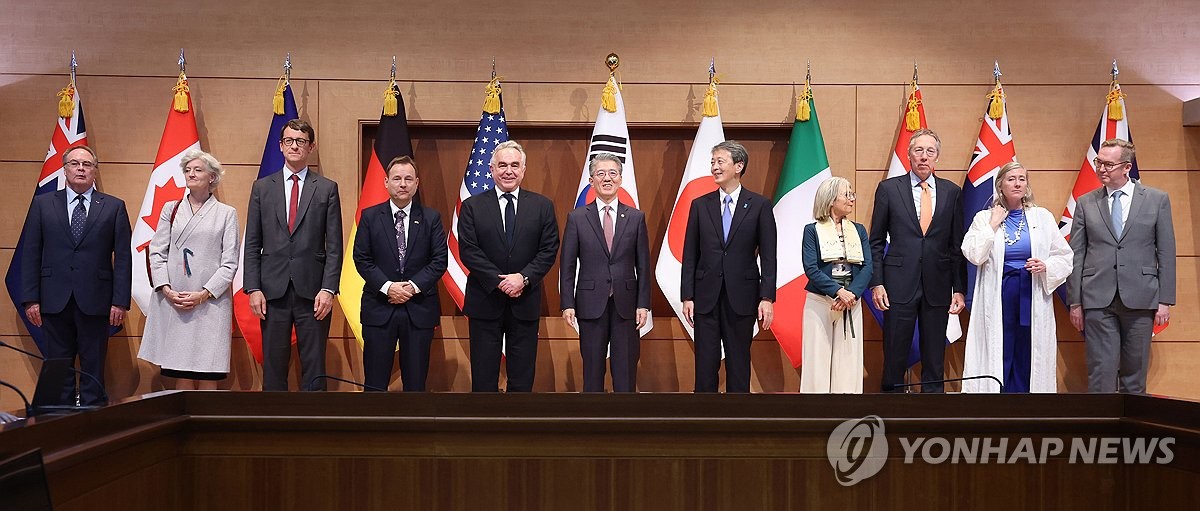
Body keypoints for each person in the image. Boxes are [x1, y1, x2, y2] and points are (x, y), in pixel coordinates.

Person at [19, 145, 131, 406]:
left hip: (96, 300)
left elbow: (124, 258)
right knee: (58, 367)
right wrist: (30, 299)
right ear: (65, 168)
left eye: (87, 164)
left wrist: (119, 301)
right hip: (53, 300)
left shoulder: (114, 207)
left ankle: (91, 430)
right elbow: (31, 252)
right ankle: (59, 426)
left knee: (93, 368)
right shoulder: (43, 204)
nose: (81, 168)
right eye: (75, 163)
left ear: (94, 170)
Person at [1068, 139, 1175, 394]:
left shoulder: (1156, 200)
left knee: (1134, 375)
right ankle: (1101, 430)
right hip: (1097, 298)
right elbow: (1077, 254)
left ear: (1127, 167)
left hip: (1141, 297)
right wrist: (1075, 302)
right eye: (1098, 162)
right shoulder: (1085, 202)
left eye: (1108, 164)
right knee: (1101, 373)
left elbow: (1167, 251)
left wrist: (1165, 300)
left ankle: (1130, 430)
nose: (1101, 168)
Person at [243, 119, 343, 391]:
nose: (294, 146)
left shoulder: (326, 188)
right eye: (289, 140)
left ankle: (313, 427)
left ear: (311, 146)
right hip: (271, 291)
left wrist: (328, 289)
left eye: (301, 141)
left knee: (314, 367)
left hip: (314, 292)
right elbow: (252, 242)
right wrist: (253, 288)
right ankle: (273, 427)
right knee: (274, 366)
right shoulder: (262, 188)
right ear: (281, 146)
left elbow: (334, 246)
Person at [868, 128, 966, 393]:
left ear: (937, 158)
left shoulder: (952, 192)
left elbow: (956, 245)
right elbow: (875, 241)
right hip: (898, 284)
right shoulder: (889, 189)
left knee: (934, 355)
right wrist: (876, 283)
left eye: (930, 151)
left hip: (938, 284)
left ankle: (932, 416)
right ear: (909, 155)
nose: (924, 156)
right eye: (918, 150)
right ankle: (890, 415)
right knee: (895, 353)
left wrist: (959, 289)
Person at [961, 162, 1072, 393]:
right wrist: (992, 224)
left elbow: (1064, 255)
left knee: (1027, 346)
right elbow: (973, 254)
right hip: (998, 292)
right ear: (1000, 184)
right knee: (999, 345)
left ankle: (1025, 401)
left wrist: (1046, 265)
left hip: (1030, 291)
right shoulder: (984, 218)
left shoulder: (1041, 217)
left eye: (1022, 178)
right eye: (1011, 179)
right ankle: (996, 402)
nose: (1018, 183)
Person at [458, 140, 560, 392]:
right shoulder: (472, 206)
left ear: (523, 170)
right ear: (491, 170)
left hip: (524, 302)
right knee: (483, 377)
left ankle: (520, 429)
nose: (508, 171)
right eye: (502, 165)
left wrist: (522, 279)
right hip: (485, 301)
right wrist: (500, 281)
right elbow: (468, 250)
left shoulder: (542, 206)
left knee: (523, 377)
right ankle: (483, 429)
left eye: (515, 165)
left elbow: (549, 249)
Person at [138, 150, 240, 390]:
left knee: (207, 373)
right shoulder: (170, 209)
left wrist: (204, 294)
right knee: (179, 371)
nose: (191, 174)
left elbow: (230, 262)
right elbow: (157, 252)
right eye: (187, 170)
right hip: (175, 300)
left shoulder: (226, 214)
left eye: (198, 170)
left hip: (210, 303)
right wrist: (166, 289)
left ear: (212, 177)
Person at [681, 140, 777, 393]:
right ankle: (704, 421)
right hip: (705, 297)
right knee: (705, 363)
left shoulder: (759, 205)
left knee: (738, 363)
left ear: (738, 166)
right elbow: (690, 253)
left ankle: (738, 423)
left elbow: (769, 256)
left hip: (743, 297)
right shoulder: (700, 205)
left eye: (719, 161)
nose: (714, 167)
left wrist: (767, 297)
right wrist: (687, 295)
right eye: (712, 162)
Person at [352, 156, 447, 391]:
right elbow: (362, 259)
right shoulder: (370, 217)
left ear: (417, 183)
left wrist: (411, 287)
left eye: (408, 179)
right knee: (375, 383)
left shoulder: (431, 218)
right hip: (379, 308)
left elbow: (439, 261)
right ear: (386, 182)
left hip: (419, 310)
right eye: (397, 178)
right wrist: (388, 287)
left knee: (415, 385)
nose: (402, 184)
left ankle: (414, 428)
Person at [560, 152, 651, 392]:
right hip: (590, 303)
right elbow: (567, 265)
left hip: (627, 305)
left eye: (613, 173)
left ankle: (627, 423)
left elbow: (643, 265)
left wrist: (643, 304)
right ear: (591, 181)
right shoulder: (577, 217)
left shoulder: (636, 218)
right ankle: (592, 423)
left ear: (621, 179)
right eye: (600, 173)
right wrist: (567, 303)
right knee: (592, 369)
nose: (607, 178)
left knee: (625, 370)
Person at [800, 177, 871, 393]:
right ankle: (814, 413)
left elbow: (868, 267)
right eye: (846, 194)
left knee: (848, 359)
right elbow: (811, 268)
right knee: (817, 359)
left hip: (851, 302)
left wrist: (851, 294)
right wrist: (838, 291)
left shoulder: (858, 231)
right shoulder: (812, 230)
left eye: (852, 194)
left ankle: (847, 410)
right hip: (820, 300)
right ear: (831, 199)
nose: (851, 199)